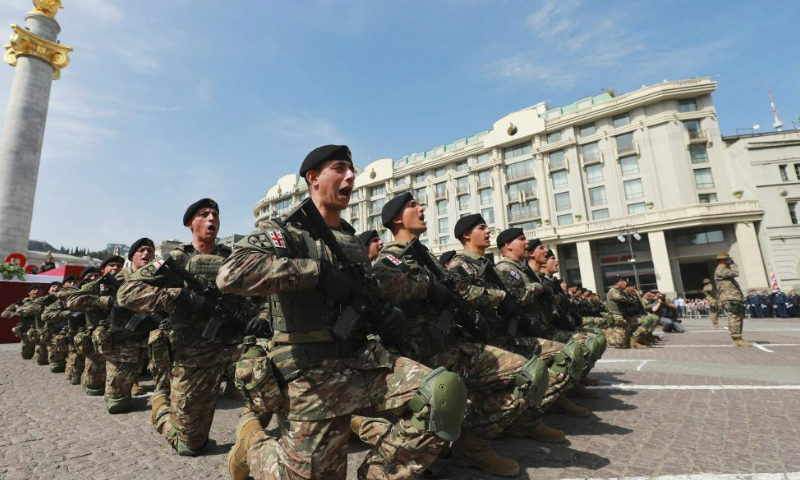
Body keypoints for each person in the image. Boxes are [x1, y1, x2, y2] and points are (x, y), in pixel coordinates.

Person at [219, 145, 465, 480]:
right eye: (339, 168)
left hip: (362, 361)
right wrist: (315, 272)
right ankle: (254, 441)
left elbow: (370, 291)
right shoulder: (285, 231)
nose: (350, 176)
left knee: (443, 393)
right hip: (310, 370)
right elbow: (231, 274)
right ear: (313, 178)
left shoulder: (350, 240)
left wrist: (389, 315)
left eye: (352, 170)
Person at [358, 195, 535, 477]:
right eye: (413, 206)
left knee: (527, 374)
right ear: (396, 219)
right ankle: (384, 460)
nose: (422, 209)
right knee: (439, 401)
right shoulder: (392, 255)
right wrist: (427, 285)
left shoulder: (424, 254)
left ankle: (470, 444)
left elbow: (456, 289)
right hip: (420, 356)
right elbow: (384, 285)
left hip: (453, 346)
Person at [118, 198, 244, 456]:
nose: (212, 219)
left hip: (234, 350)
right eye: (204, 214)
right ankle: (161, 406)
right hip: (193, 357)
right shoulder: (175, 259)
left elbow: (256, 294)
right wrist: (177, 297)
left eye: (215, 215)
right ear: (190, 224)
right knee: (190, 445)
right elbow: (126, 293)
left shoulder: (231, 259)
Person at [100, 237, 156, 413]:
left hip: (152, 335)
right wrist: (109, 301)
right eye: (142, 250)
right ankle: (128, 384)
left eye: (150, 251)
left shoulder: (158, 276)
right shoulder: (119, 276)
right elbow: (83, 299)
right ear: (132, 256)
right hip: (124, 340)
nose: (146, 253)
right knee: (116, 404)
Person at [65, 256, 125, 396]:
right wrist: (104, 301)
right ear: (103, 269)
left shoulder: (126, 285)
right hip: (97, 337)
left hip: (121, 334)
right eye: (112, 265)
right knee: (94, 384)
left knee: (120, 378)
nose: (116, 268)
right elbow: (72, 301)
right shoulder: (92, 286)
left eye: (118, 266)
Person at [17, 281, 63, 365]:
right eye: (53, 286)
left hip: (60, 330)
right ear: (48, 290)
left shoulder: (65, 299)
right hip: (44, 331)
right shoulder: (42, 300)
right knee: (41, 360)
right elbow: (26, 309)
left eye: (58, 287)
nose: (56, 288)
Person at [41, 275, 79, 372]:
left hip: (76, 331)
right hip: (59, 330)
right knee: (57, 366)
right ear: (64, 285)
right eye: (70, 282)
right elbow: (45, 316)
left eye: (75, 282)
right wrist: (63, 314)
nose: (73, 284)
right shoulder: (59, 300)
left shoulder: (81, 297)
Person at [714, 252, 752, 347]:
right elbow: (736, 273)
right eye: (727, 259)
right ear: (723, 260)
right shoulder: (721, 270)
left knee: (738, 317)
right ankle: (736, 338)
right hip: (729, 298)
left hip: (733, 297)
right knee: (734, 318)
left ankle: (738, 337)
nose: (729, 261)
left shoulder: (724, 269)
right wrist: (733, 264)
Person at [2, 285, 41, 359]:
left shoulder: (44, 301)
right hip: (27, 331)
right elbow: (4, 314)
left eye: (38, 289)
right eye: (34, 289)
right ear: (29, 292)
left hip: (41, 331)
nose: (37, 291)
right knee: (26, 355)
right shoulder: (21, 303)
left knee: (40, 357)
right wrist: (18, 313)